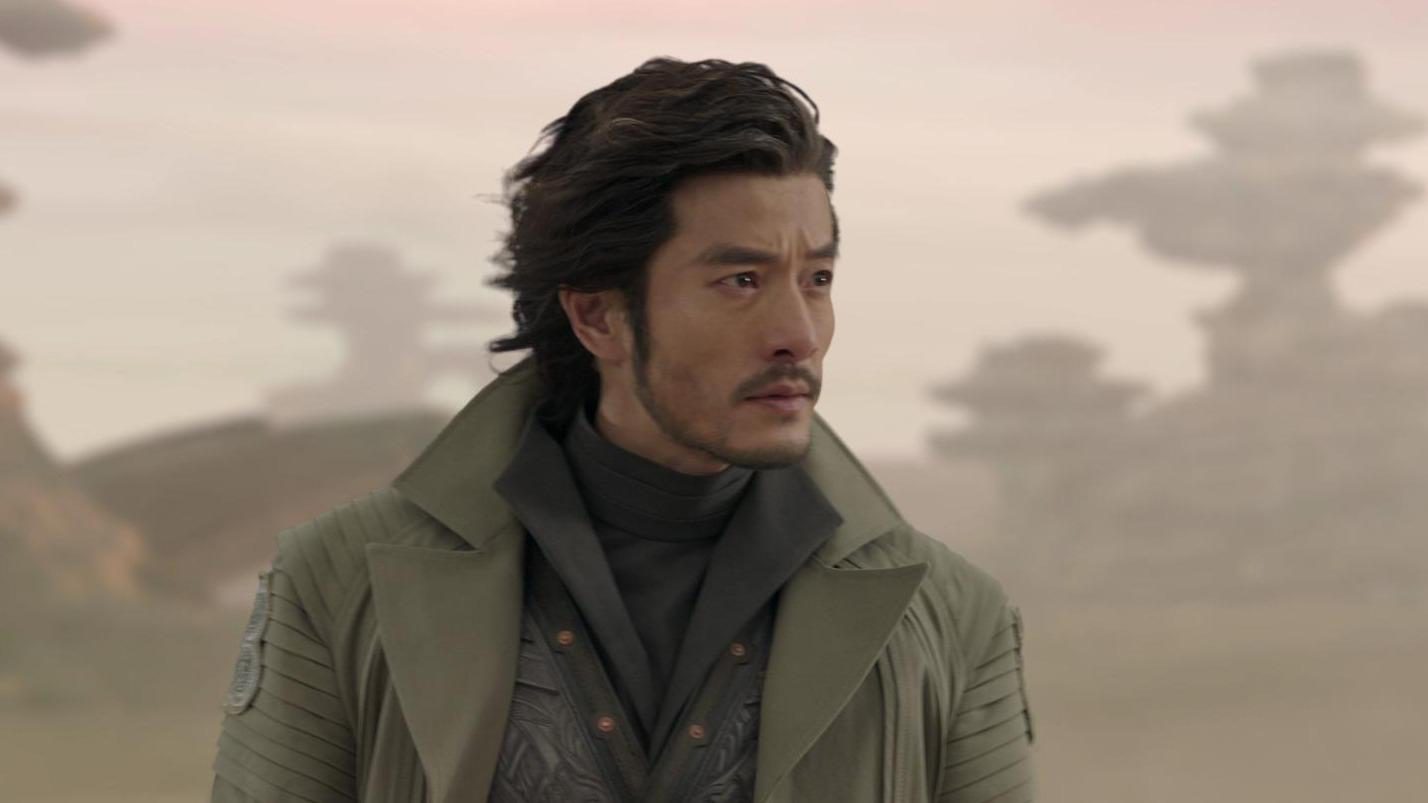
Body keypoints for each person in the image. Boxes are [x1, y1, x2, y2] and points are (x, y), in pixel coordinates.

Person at [209, 56, 1035, 803]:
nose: (799, 333)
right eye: (742, 281)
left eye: (816, 278)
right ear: (599, 316)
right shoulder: (337, 583)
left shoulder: (952, 614)